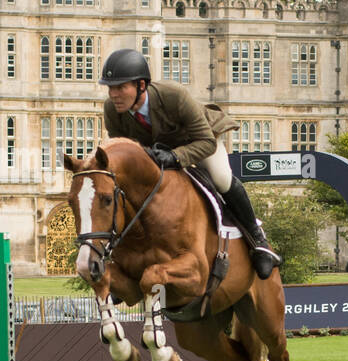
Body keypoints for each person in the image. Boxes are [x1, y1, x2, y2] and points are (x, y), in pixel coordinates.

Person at [98, 48, 281, 278]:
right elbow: (124, 151)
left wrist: (176, 157)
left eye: (120, 87)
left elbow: (206, 141)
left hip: (198, 142)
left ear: (141, 86)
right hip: (156, 156)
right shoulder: (112, 110)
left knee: (221, 178)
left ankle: (258, 241)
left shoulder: (173, 95)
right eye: (110, 87)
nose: (113, 94)